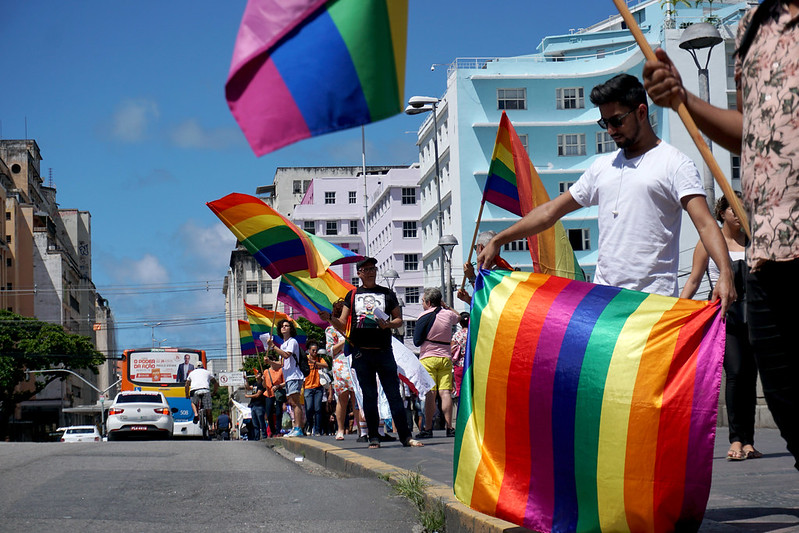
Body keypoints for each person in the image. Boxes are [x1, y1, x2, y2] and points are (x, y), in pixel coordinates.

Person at [643, 0, 798, 469]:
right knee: (788, 405)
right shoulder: (752, 25)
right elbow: (755, 133)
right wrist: (684, 100)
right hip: (769, 251)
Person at [477, 74, 735, 314]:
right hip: (603, 306)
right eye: (604, 122)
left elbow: (705, 224)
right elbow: (549, 212)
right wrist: (499, 240)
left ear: (641, 112)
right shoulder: (602, 168)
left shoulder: (675, 163)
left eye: (616, 121)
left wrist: (726, 273)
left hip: (653, 306)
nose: (610, 130)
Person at [681, 193, 760, 461]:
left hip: (755, 316)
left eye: (743, 210)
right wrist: (677, 312)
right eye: (733, 210)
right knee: (736, 373)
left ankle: (748, 441)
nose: (739, 215)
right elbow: (693, 280)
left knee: (750, 377)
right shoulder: (709, 242)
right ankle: (736, 439)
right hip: (726, 317)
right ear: (722, 212)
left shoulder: (755, 242)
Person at [318, 257, 423, 449]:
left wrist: (389, 324)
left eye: (373, 268)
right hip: (361, 353)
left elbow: (399, 320)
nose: (371, 272)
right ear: (359, 273)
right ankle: (373, 436)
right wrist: (330, 319)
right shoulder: (352, 295)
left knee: (393, 395)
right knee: (369, 396)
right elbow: (342, 323)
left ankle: (406, 436)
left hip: (384, 351)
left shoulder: (387, 294)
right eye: (366, 269)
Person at [414, 288, 460, 439]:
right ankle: (449, 426)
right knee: (445, 392)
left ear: (428, 302)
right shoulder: (448, 315)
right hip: (445, 357)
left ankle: (428, 428)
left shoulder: (423, 316)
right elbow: (459, 317)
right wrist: (446, 306)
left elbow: (416, 341)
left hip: (428, 357)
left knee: (430, 393)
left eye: (423, 301)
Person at [326, 300, 361, 441]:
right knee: (342, 399)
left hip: (354, 363)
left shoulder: (354, 327)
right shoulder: (331, 330)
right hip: (340, 365)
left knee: (356, 398)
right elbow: (330, 351)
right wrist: (344, 340)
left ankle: (361, 429)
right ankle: (340, 429)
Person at [267, 319, 305, 438]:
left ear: (291, 329)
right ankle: (295, 427)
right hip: (288, 377)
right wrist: (270, 361)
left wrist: (273, 346)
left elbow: (286, 355)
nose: (284, 327)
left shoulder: (292, 342)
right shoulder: (283, 345)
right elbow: (281, 363)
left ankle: (298, 428)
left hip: (295, 375)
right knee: (291, 402)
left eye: (287, 326)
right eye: (282, 326)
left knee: (295, 402)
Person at [457, 230, 514, 305]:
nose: (476, 251)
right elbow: (485, 307)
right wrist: (468, 300)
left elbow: (490, 299)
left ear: (480, 248)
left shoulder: (496, 273)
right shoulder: (503, 271)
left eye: (475, 247)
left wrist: (472, 277)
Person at [302, 340, 328, 437]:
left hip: (318, 387)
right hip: (308, 387)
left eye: (316, 350)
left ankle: (317, 430)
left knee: (318, 409)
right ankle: (309, 425)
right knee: (309, 408)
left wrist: (314, 362)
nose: (315, 352)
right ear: (309, 350)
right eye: (313, 350)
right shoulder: (305, 359)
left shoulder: (319, 359)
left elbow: (326, 365)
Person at [184, 362, 218, 431]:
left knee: (193, 402)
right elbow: (215, 383)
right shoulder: (208, 372)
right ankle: (210, 426)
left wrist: (187, 394)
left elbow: (186, 385)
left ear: (195, 367)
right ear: (203, 366)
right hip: (205, 390)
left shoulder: (191, 373)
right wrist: (214, 392)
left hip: (194, 390)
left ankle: (196, 414)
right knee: (208, 409)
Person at [263, 357, 285, 438]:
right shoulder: (266, 371)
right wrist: (263, 380)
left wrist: (278, 386)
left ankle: (278, 430)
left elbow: (285, 382)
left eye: (276, 360)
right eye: (273, 360)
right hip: (269, 394)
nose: (275, 362)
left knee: (279, 412)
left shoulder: (281, 370)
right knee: (269, 413)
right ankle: (272, 430)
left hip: (278, 393)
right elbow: (264, 385)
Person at [451, 311, 470, 403]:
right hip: (471, 364)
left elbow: (452, 350)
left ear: (460, 323)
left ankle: (461, 411)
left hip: (459, 364)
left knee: (459, 388)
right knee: (471, 388)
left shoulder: (456, 335)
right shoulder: (474, 334)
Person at [245, 374, 267, 441]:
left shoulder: (261, 385)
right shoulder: (255, 384)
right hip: (253, 406)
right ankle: (256, 437)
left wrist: (248, 396)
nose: (256, 375)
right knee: (255, 423)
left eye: (258, 374)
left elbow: (257, 394)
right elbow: (248, 388)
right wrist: (246, 380)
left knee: (261, 422)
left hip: (259, 405)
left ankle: (264, 436)